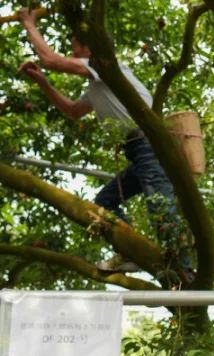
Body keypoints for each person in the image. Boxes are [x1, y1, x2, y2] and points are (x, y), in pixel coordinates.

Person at [16, 7, 190, 279]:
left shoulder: (105, 67)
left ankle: (184, 269)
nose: (73, 54)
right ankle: (132, 253)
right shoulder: (98, 84)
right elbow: (74, 110)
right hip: (140, 151)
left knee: (160, 206)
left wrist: (29, 23)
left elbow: (49, 59)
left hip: (150, 146)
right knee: (106, 202)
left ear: (91, 47)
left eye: (75, 47)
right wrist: (43, 83)